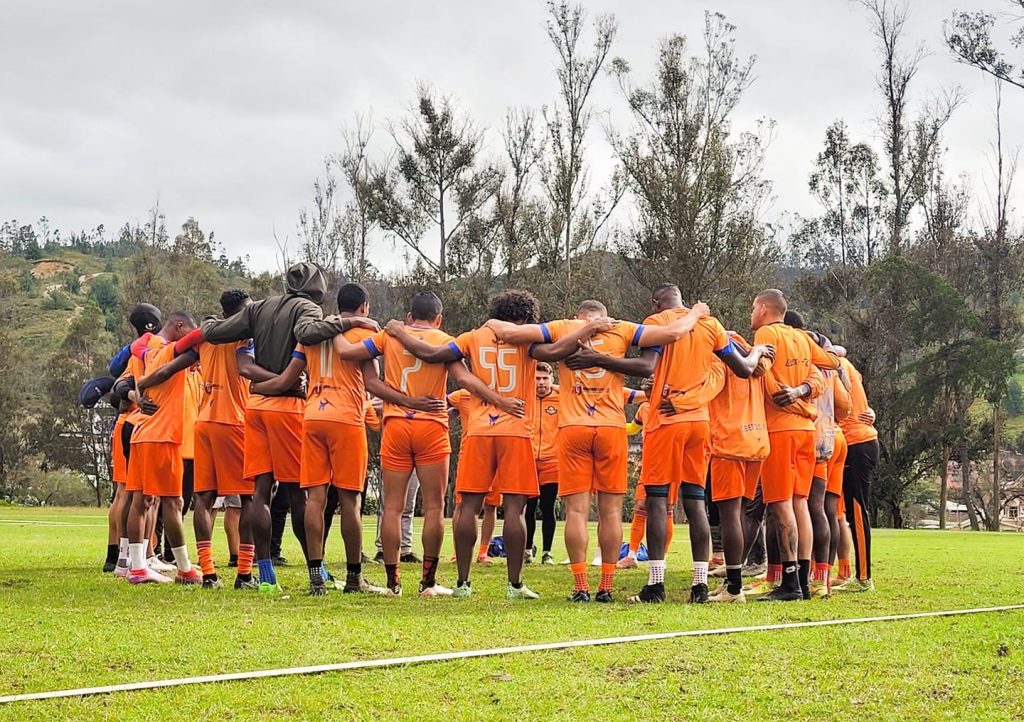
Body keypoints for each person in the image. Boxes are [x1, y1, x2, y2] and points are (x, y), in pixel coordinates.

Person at [573, 285, 772, 604]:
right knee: (695, 502)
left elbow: (646, 367)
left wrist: (598, 359)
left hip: (666, 421)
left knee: (656, 500)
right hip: (700, 424)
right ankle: (700, 585)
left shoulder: (656, 322)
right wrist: (759, 351)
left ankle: (655, 584)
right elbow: (745, 369)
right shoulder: (712, 325)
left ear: (656, 302)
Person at [488, 299, 694, 602]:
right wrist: (698, 313)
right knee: (611, 512)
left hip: (573, 429)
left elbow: (510, 334)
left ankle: (581, 585)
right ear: (604, 317)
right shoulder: (621, 329)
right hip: (611, 428)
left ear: (578, 317)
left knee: (576, 511)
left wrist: (490, 323)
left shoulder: (563, 328)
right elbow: (673, 333)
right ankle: (606, 586)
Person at [385, 289, 580, 600]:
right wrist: (584, 332)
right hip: (515, 430)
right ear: (523, 318)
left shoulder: (472, 336)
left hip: (478, 430)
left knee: (468, 508)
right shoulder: (526, 339)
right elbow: (557, 351)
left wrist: (397, 331)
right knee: (515, 510)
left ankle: (463, 584)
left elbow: (432, 355)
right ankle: (514, 585)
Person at [332, 291, 519, 597]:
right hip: (431, 425)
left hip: (396, 425)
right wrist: (498, 399)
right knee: (434, 507)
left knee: (391, 506)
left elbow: (354, 363)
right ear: (439, 319)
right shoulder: (447, 340)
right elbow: (464, 379)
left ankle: (393, 583)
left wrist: (335, 324)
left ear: (409, 316)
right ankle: (428, 582)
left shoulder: (387, 337)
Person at [252, 283, 429, 596]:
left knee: (315, 499)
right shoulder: (364, 335)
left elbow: (285, 380)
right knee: (350, 500)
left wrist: (255, 388)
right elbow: (372, 383)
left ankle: (315, 578)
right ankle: (353, 577)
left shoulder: (312, 336)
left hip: (313, 416)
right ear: (364, 307)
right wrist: (410, 401)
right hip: (345, 418)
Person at [200, 262, 365, 593]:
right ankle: (315, 571)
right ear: (317, 286)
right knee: (299, 494)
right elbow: (307, 334)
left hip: (256, 407)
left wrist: (207, 324)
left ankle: (264, 574)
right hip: (289, 406)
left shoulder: (259, 307)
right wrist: (349, 321)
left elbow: (212, 333)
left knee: (260, 491)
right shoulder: (307, 307)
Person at [751, 289, 839, 602]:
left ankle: (789, 582)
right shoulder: (803, 339)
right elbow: (828, 364)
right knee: (801, 503)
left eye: (753, 308)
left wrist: (793, 399)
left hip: (781, 429)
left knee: (781, 505)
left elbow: (766, 379)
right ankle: (803, 578)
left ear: (763, 308)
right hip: (807, 431)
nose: (752, 315)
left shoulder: (766, 332)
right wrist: (803, 395)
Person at [125, 312, 202, 585]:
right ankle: (184, 568)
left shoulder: (148, 351)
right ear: (179, 326)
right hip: (162, 436)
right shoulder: (169, 350)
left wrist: (139, 386)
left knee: (140, 501)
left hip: (141, 434)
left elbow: (137, 348)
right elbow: (197, 338)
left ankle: (136, 567)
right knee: (174, 502)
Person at [706, 333, 770, 604]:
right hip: (756, 439)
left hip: (729, 442)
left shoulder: (719, 361)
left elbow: (705, 389)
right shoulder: (758, 362)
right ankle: (732, 583)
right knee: (742, 514)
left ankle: (734, 589)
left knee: (730, 515)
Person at [108, 303, 163, 576]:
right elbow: (118, 386)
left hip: (138, 424)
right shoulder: (149, 350)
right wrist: (135, 397)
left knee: (140, 495)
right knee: (134, 494)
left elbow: (116, 380)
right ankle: (126, 557)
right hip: (136, 424)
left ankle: (137, 555)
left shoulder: (133, 350)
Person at [834, 348, 878, 593]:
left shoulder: (835, 364)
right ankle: (848, 571)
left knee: (857, 512)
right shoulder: (843, 362)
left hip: (857, 443)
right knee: (843, 511)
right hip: (854, 441)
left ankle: (864, 578)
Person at [526, 362, 559, 565]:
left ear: (552, 380)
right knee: (528, 508)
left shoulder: (561, 398)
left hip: (552, 461)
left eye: (545, 378)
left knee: (548, 507)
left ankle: (547, 552)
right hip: (527, 461)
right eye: (537, 378)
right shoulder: (524, 397)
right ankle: (527, 550)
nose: (541, 382)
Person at [373, 470, 420, 563]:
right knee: (388, 507)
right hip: (393, 458)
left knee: (409, 506)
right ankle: (382, 550)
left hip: (417, 460)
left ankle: (405, 550)